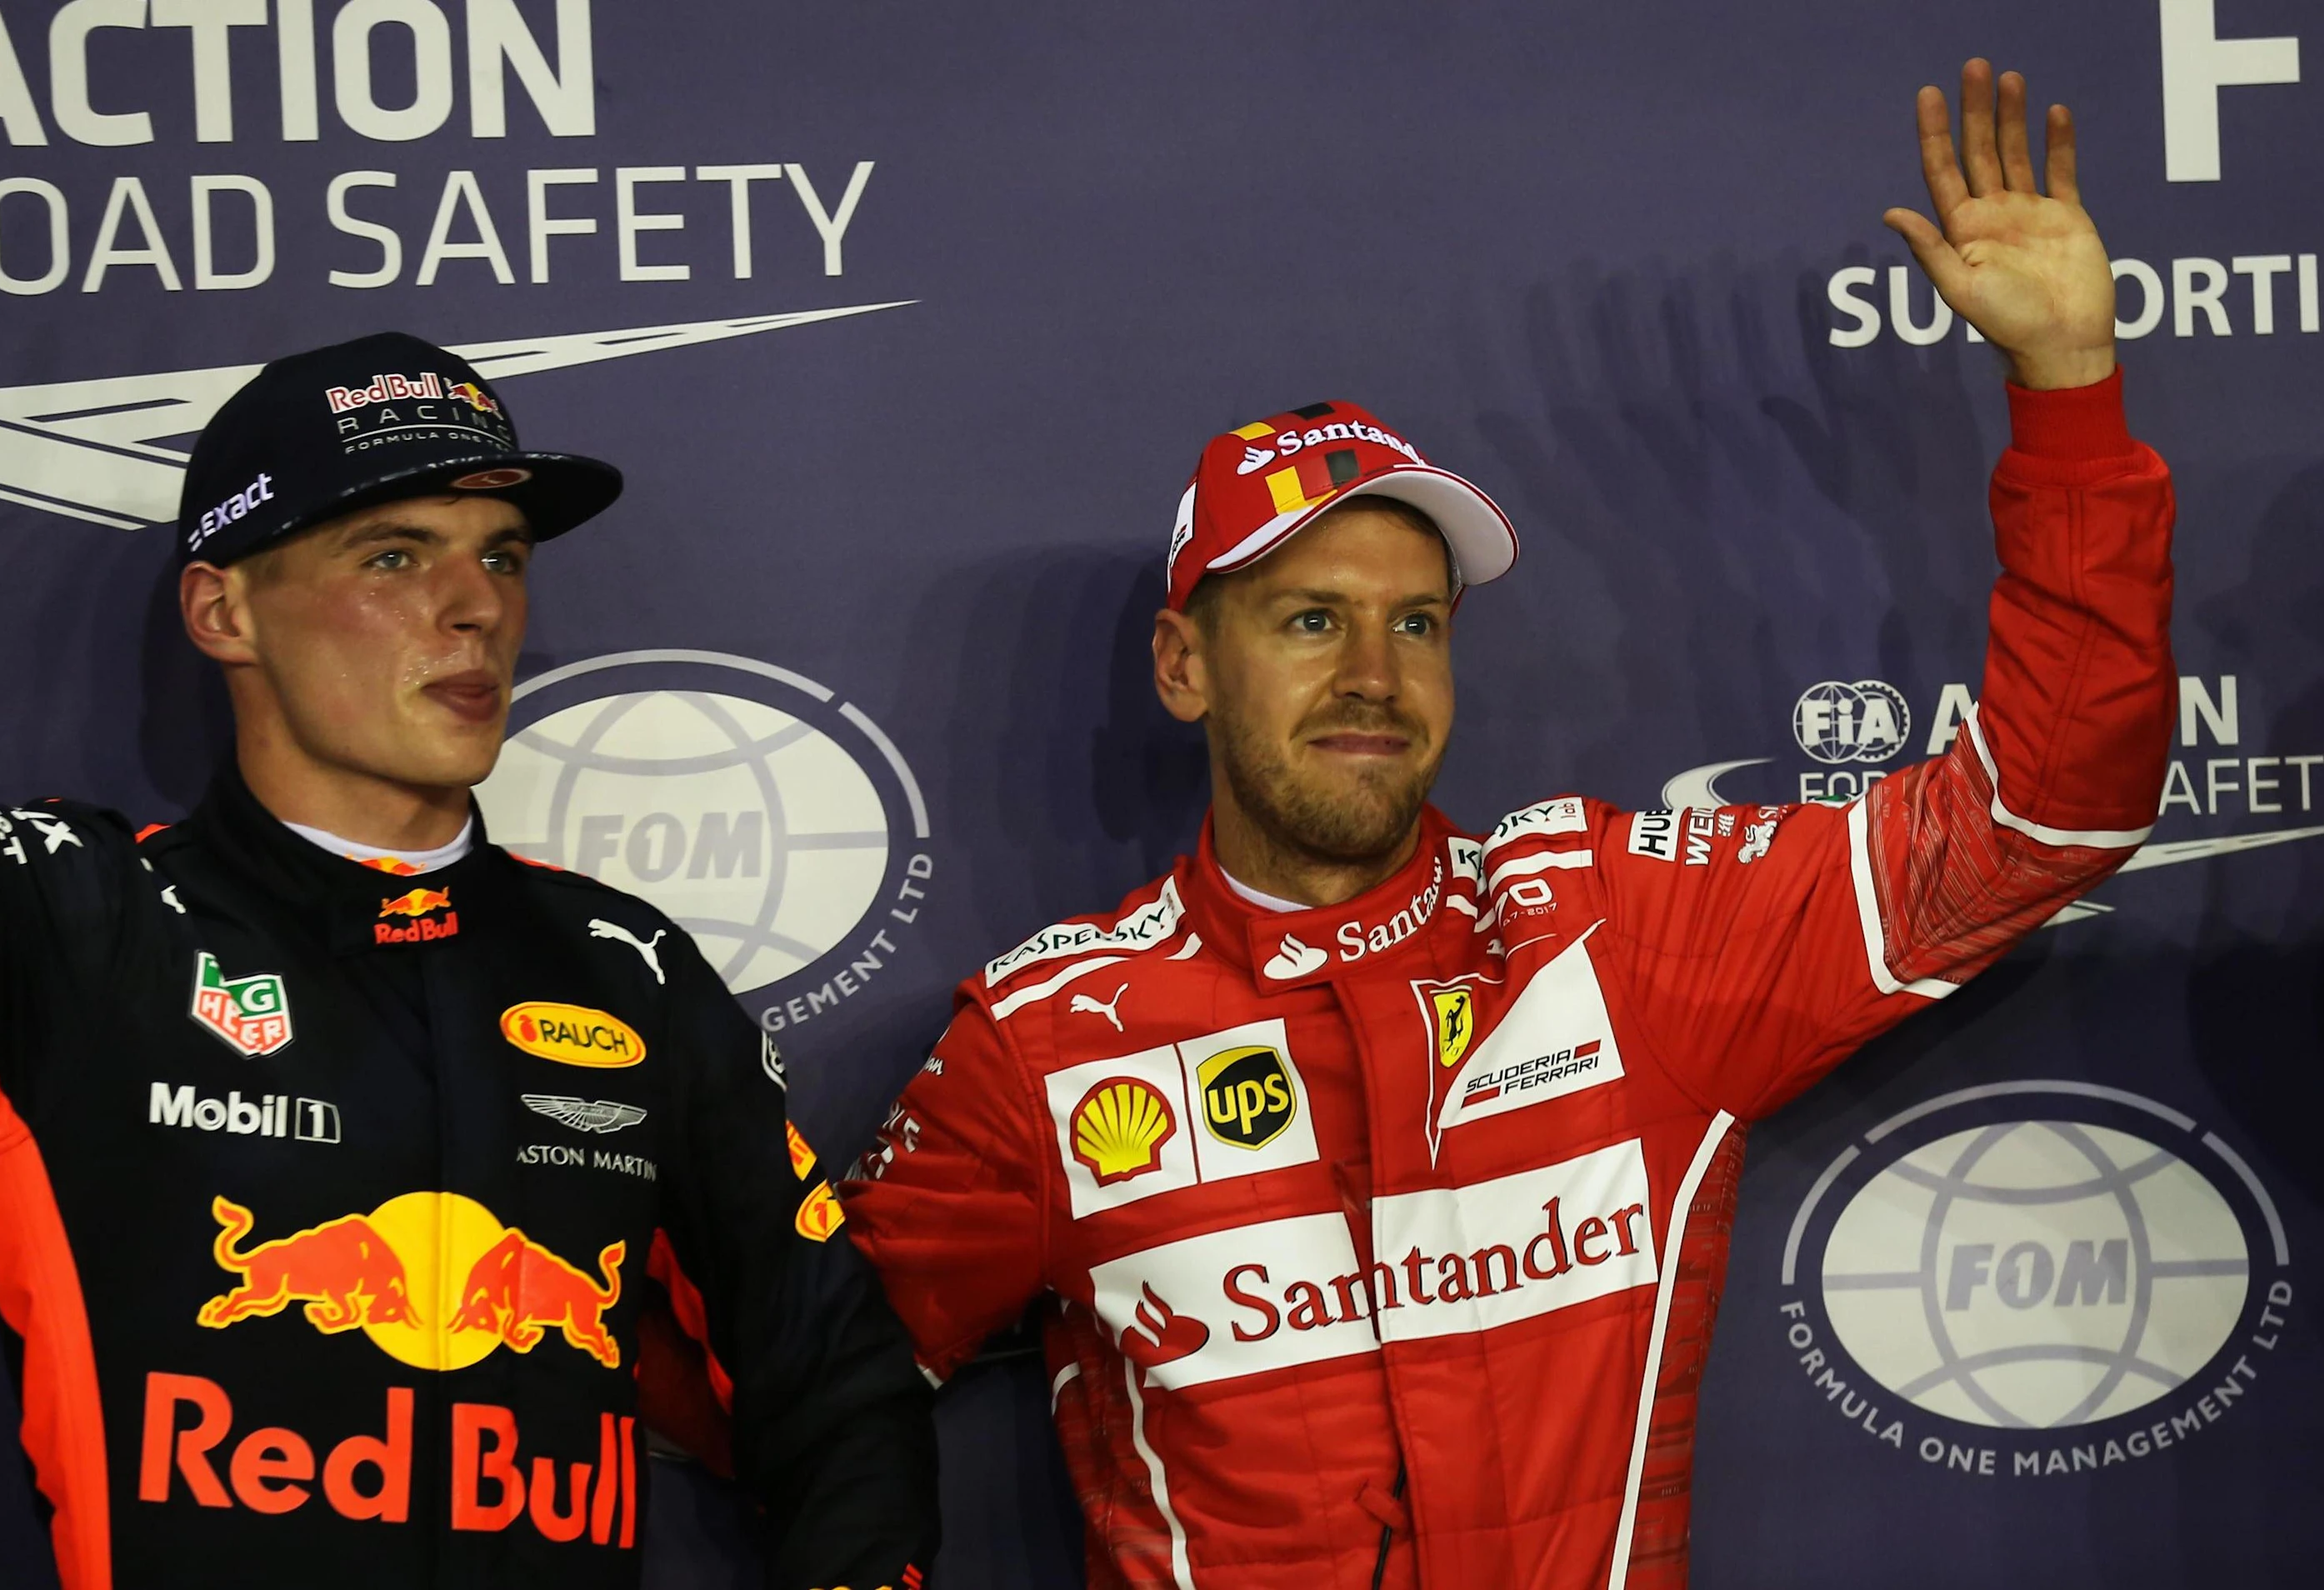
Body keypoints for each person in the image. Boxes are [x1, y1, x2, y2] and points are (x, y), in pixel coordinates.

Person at [839, 59, 2170, 1590]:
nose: (1373, 674)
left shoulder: (1611, 930)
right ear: (1185, 666)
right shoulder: (1047, 1044)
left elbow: (2044, 813)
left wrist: (2069, 393)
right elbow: (792, 1387)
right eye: (1309, 620)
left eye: (1416, 623)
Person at [0, 3, 937, 1587]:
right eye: (393, 556)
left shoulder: (627, 971)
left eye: (501, 556)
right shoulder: (79, 926)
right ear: (225, 612)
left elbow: (838, 1386)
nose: (473, 608)